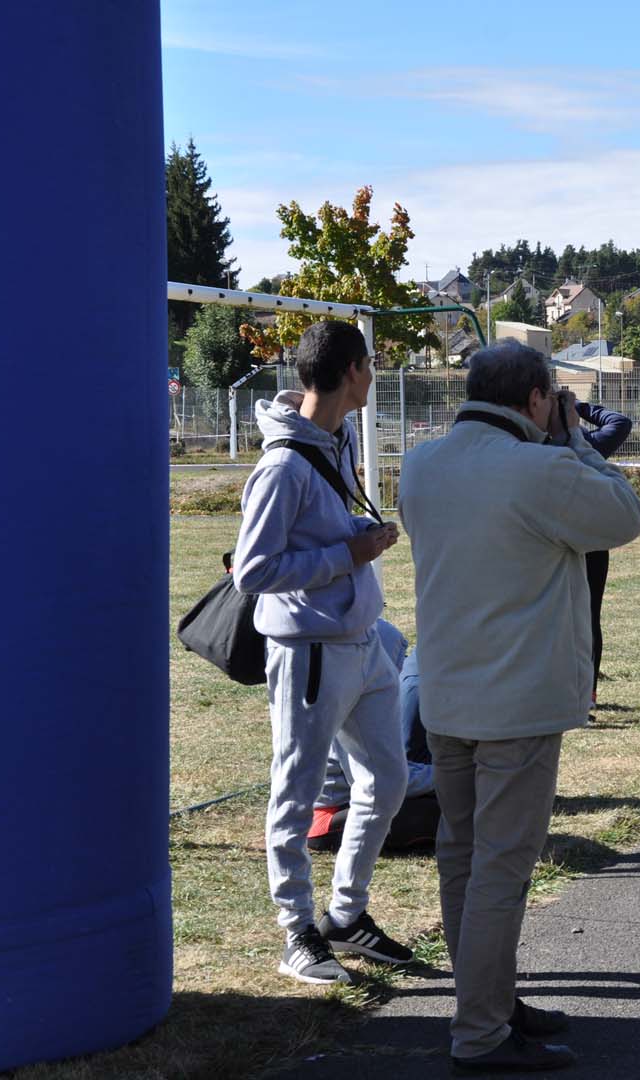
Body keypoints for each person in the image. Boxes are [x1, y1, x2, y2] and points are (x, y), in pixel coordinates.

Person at [400, 342, 640, 1073]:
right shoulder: (540, 469)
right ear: (538, 399)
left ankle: (490, 1000)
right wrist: (576, 443)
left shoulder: (421, 465)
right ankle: (479, 1030)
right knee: (502, 871)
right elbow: (624, 516)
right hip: (517, 707)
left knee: (462, 858)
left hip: (445, 695)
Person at [233, 320, 413, 986]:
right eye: (369, 365)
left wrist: (356, 537)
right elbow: (253, 569)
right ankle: (296, 932)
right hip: (309, 651)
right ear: (350, 372)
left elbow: (323, 534)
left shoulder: (333, 443)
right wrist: (349, 555)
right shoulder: (282, 464)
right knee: (297, 789)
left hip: (362, 644)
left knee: (386, 780)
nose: (373, 376)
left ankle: (345, 914)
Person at [308, 619, 439, 854]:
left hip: (348, 803)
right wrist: (448, 774)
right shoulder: (351, 710)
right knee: (448, 813)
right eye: (398, 659)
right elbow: (379, 779)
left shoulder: (338, 689)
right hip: (329, 819)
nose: (401, 669)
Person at [573, 399, 633, 695]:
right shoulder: (589, 444)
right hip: (592, 539)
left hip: (551, 535)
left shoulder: (535, 444)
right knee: (589, 615)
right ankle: (589, 692)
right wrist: (580, 407)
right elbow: (620, 422)